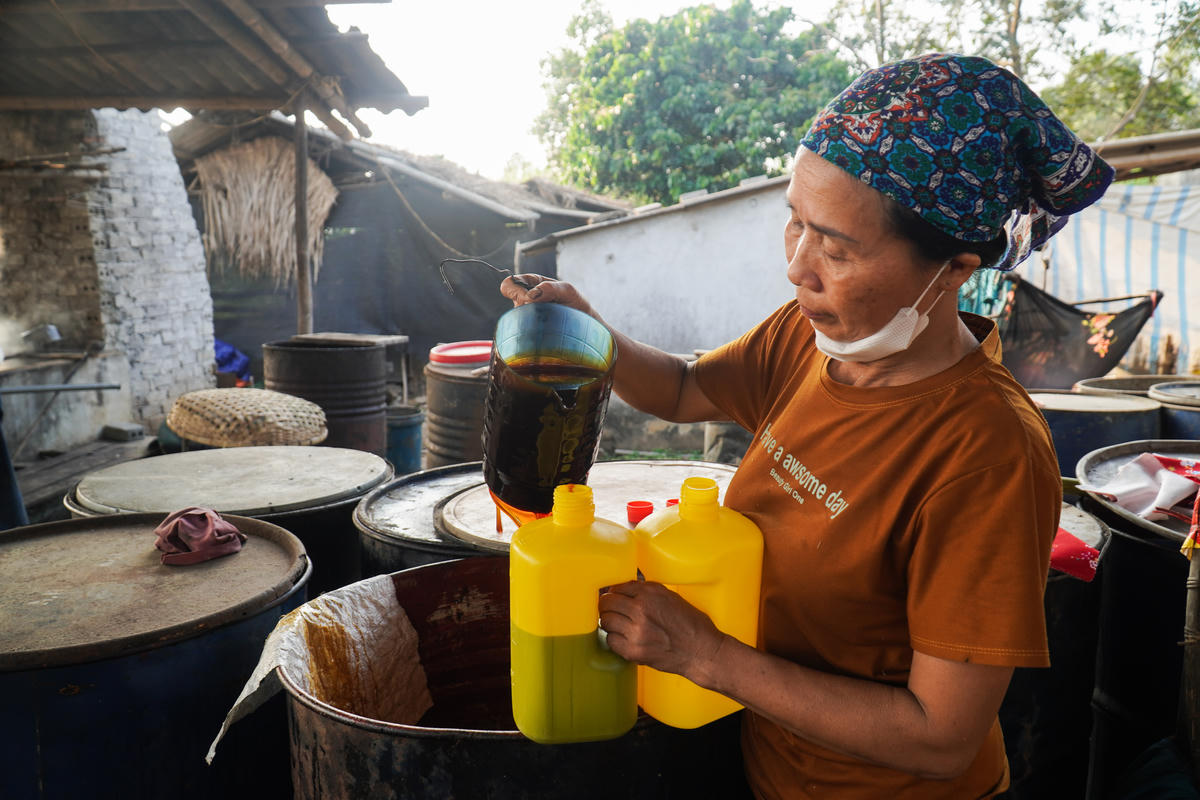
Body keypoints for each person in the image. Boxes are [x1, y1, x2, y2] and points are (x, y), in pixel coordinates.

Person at [501, 53, 1113, 799]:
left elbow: (940, 736)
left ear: (952, 269)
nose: (798, 267)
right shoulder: (810, 335)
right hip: (772, 768)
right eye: (794, 223)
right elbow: (686, 387)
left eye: (836, 247)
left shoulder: (984, 452)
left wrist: (707, 657)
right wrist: (585, 327)